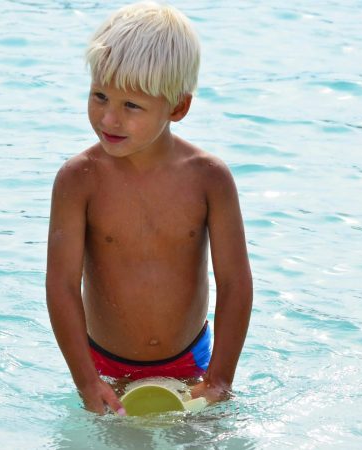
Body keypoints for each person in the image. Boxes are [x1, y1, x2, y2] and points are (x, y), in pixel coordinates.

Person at [46, 1, 252, 416]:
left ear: (177, 107)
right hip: (104, 367)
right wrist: (86, 381)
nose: (108, 117)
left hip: (192, 365)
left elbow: (235, 283)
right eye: (99, 96)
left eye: (131, 106)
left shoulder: (209, 178)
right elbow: (61, 285)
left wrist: (220, 378)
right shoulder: (78, 179)